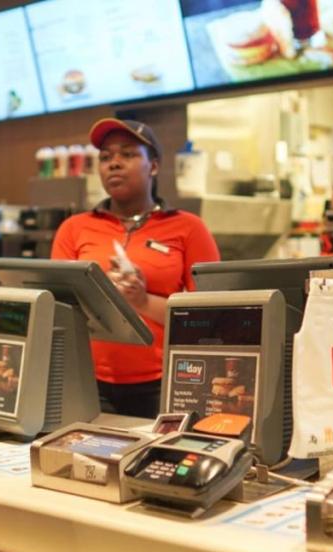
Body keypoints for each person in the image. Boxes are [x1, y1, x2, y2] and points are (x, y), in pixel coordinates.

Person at [52, 118, 220, 418]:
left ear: (153, 166)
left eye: (128, 154)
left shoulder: (188, 228)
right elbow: (59, 312)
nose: (114, 163)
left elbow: (212, 318)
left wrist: (142, 301)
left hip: (166, 381)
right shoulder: (73, 228)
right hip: (87, 381)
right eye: (106, 157)